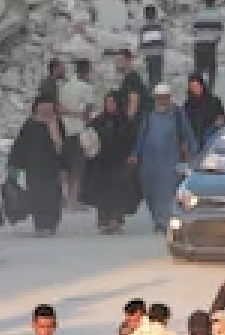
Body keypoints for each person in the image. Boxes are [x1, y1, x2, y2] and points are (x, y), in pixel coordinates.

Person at [132, 83, 198, 233]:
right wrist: (135, 154)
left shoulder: (177, 114)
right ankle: (157, 219)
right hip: (150, 160)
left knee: (166, 191)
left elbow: (188, 134)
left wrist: (193, 154)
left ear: (169, 98)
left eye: (165, 98)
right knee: (150, 192)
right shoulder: (149, 115)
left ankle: (164, 222)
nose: (162, 101)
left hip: (170, 160)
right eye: (159, 98)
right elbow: (141, 136)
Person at [85, 92, 142, 234]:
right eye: (107, 102)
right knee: (103, 191)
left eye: (112, 102)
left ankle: (116, 219)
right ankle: (104, 219)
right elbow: (89, 135)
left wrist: (132, 155)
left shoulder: (125, 121)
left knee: (118, 191)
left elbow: (133, 139)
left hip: (120, 162)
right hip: (102, 162)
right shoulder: (99, 121)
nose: (109, 105)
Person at [11, 97, 67, 237]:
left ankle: (52, 223)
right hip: (33, 166)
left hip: (52, 165)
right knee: (36, 195)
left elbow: (63, 144)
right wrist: (14, 163)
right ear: (36, 107)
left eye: (48, 107)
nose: (45, 110)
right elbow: (20, 144)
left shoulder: (56, 122)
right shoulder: (30, 123)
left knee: (53, 196)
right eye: (42, 107)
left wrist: (64, 162)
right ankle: (40, 224)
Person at [59, 59, 99, 205]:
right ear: (86, 71)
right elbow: (89, 111)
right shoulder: (86, 87)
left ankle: (65, 197)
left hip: (64, 129)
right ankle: (74, 200)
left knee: (66, 167)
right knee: (77, 168)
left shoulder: (65, 86)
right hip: (79, 131)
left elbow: (60, 107)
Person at [191, 0, 225, 89]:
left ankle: (197, 91)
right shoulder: (218, 14)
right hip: (211, 45)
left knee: (198, 69)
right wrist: (216, 39)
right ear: (214, 0)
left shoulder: (198, 13)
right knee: (211, 69)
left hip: (199, 43)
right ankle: (210, 90)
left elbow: (194, 29)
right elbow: (220, 30)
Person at [181, 73, 225, 145]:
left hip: (212, 140)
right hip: (195, 142)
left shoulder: (214, 101)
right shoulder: (187, 105)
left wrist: (221, 120)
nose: (195, 89)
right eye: (192, 87)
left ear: (202, 86)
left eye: (196, 86)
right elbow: (184, 125)